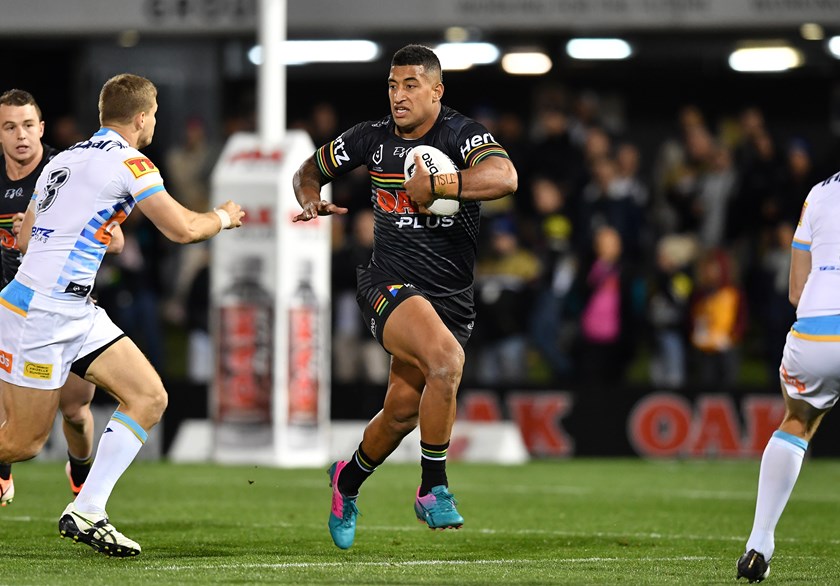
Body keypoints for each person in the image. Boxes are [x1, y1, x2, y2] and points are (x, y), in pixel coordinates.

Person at [0, 73, 244, 557]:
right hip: (42, 311)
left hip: (70, 306)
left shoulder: (63, 159)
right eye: (153, 115)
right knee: (23, 444)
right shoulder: (132, 163)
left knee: (149, 396)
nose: (154, 122)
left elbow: (26, 237)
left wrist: (89, 230)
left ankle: (87, 510)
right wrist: (224, 216)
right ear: (141, 118)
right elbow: (182, 229)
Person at [292, 44, 517, 549]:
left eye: (411, 85)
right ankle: (432, 488)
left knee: (400, 411)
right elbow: (309, 169)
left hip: (451, 298)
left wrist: (442, 183)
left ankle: (344, 482)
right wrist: (310, 198)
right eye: (393, 86)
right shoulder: (369, 139)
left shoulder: (461, 134)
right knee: (446, 360)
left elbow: (505, 176)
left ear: (437, 91)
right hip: (387, 283)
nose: (399, 96)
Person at [0, 89, 124, 507]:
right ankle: (3, 473)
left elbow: (117, 239)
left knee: (74, 409)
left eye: (29, 125)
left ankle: (80, 470)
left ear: (42, 129)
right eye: (10, 127)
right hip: (12, 308)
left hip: (59, 308)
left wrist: (40, 229)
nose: (21, 135)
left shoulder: (64, 168)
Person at [735, 169, 839, 582]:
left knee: (797, 423)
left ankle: (759, 544)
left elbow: (796, 290)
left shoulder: (818, 192)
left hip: (815, 332)